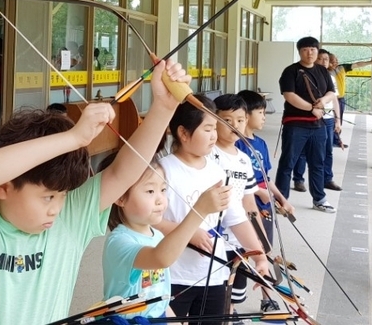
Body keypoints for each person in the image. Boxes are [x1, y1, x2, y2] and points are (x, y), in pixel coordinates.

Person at [0, 60, 190, 325]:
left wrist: (164, 108)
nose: (57, 207)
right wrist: (74, 138)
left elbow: (121, 174)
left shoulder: (68, 218)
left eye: (62, 196)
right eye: (48, 196)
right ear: (3, 185)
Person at [154, 95, 269, 324]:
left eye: (214, 128)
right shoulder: (162, 171)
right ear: (184, 133)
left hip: (214, 275)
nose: (214, 135)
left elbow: (236, 218)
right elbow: (147, 220)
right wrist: (188, 232)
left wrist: (259, 256)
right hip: (171, 275)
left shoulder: (217, 172)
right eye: (208, 129)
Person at [101, 154, 230, 319]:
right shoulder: (119, 241)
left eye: (163, 190)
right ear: (120, 197)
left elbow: (159, 297)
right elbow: (161, 258)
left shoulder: (157, 236)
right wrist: (200, 211)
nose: (160, 199)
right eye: (150, 191)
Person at [209, 94, 287, 318]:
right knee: (216, 290)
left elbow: (249, 204)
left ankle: (230, 315)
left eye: (240, 120)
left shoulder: (244, 159)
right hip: (214, 239)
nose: (235, 125)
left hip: (240, 240)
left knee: (235, 290)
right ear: (214, 121)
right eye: (227, 120)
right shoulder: (209, 153)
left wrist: (261, 246)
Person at [274, 36, 337, 213]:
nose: (309, 53)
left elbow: (331, 92)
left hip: (319, 126)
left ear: (317, 51)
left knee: (318, 163)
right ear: (299, 51)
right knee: (288, 163)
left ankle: (319, 199)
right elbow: (289, 96)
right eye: (305, 49)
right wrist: (311, 108)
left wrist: (323, 101)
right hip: (296, 125)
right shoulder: (291, 71)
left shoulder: (322, 71)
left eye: (313, 49)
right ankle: (281, 201)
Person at [235, 90, 294, 262]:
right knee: (248, 250)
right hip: (248, 207)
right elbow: (238, 183)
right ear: (245, 114)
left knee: (265, 249)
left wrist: (282, 199)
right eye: (260, 112)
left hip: (265, 206)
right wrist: (259, 192)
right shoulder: (236, 145)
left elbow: (266, 179)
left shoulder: (260, 144)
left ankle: (266, 285)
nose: (264, 117)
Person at [292, 49, 342, 193]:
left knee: (327, 151)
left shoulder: (330, 78)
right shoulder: (304, 75)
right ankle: (298, 179)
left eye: (326, 59)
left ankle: (327, 179)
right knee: (302, 151)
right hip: (309, 118)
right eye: (320, 59)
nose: (323, 61)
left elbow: (334, 100)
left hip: (327, 119)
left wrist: (337, 120)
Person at [328, 53, 372, 148]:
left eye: (336, 60)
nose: (336, 62)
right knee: (330, 120)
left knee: (339, 119)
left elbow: (357, 64)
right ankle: (330, 140)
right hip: (330, 99)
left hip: (340, 98)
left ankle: (337, 140)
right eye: (333, 61)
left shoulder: (342, 68)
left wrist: (370, 62)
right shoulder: (324, 72)